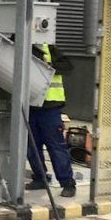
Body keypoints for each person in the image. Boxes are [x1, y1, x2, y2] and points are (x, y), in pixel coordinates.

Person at [26, 43, 77, 198]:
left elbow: (68, 66)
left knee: (56, 147)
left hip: (50, 107)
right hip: (30, 106)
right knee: (32, 147)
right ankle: (40, 178)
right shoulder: (21, 44)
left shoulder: (49, 48)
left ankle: (67, 183)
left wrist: (49, 65)